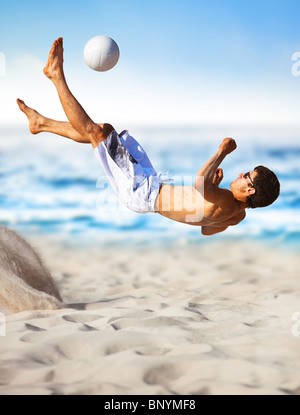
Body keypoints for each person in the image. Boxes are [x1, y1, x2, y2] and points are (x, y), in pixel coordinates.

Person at [17, 38, 280, 236]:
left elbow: (199, 183)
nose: (241, 174)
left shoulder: (226, 201)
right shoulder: (237, 216)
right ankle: (40, 123)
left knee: (95, 133)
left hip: (142, 192)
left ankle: (55, 76)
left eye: (247, 175)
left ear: (250, 190)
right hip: (151, 184)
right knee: (106, 131)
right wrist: (210, 191)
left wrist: (222, 152)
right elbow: (206, 230)